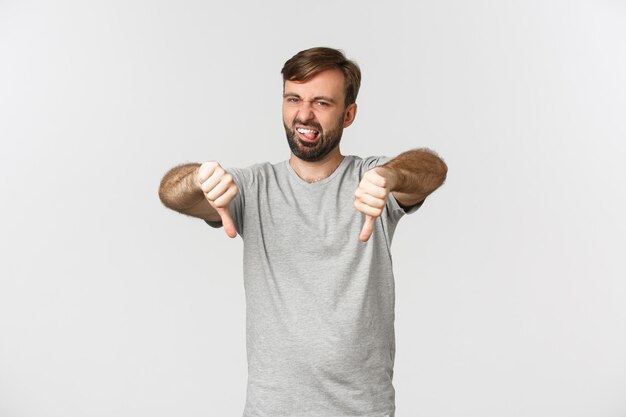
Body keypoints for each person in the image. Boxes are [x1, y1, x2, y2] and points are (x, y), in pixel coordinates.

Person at [158, 47, 447, 417]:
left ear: (349, 114)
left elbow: (431, 169)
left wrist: (392, 176)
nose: (304, 114)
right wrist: (198, 179)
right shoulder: (253, 186)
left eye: (322, 102)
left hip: (362, 409)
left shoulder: (372, 180)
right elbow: (172, 193)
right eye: (293, 99)